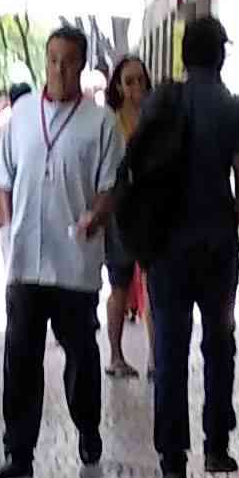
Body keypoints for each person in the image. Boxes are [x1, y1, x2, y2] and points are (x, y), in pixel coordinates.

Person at [133, 10, 239, 478]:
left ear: (184, 56)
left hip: (166, 247)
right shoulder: (235, 110)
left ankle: (171, 461)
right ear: (221, 55)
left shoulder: (161, 102)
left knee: (169, 348)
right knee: (219, 344)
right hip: (217, 247)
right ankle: (216, 445)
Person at [0, 24, 117, 478]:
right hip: (25, 260)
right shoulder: (22, 115)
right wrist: (6, 226)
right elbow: (0, 176)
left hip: (74, 262)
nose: (59, 69)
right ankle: (18, 450)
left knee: (80, 354)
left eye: (68, 61)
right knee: (20, 357)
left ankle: (88, 428)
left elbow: (109, 186)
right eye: (53, 60)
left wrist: (94, 217)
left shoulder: (100, 122)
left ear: (81, 65)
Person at [101, 51, 151, 378]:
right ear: (118, 86)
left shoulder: (155, 119)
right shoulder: (110, 123)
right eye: (128, 81)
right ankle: (116, 356)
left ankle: (155, 359)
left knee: (151, 284)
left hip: (151, 212)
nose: (135, 87)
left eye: (140, 80)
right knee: (119, 285)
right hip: (119, 212)